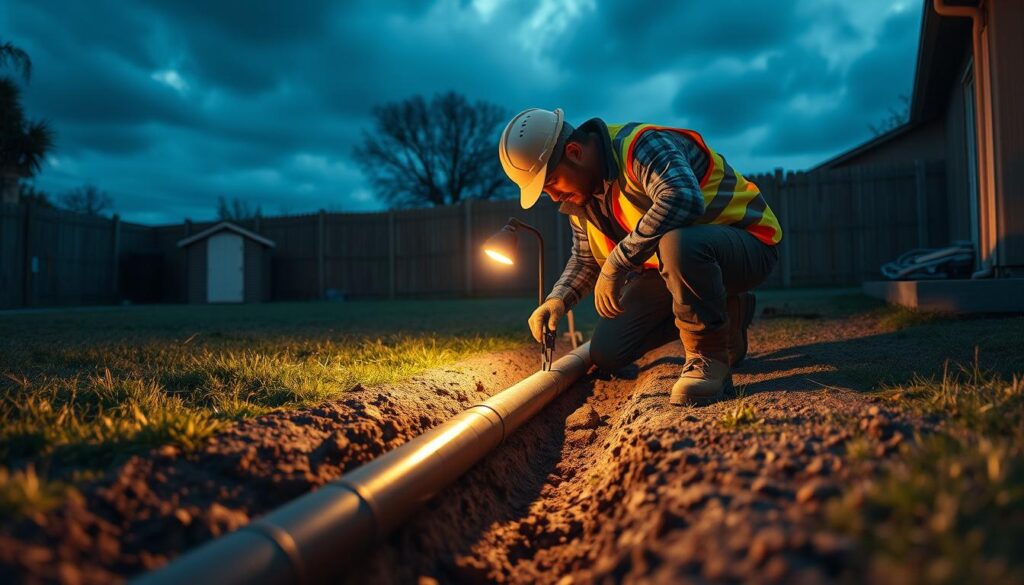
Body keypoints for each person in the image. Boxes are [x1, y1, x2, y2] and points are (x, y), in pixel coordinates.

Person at [497, 108, 782, 405]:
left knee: (677, 242)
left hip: (747, 245)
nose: (554, 196)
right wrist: (557, 299)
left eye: (552, 182)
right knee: (607, 351)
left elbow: (682, 198)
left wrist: (618, 261)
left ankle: (708, 359)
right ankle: (724, 311)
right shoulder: (582, 198)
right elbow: (585, 258)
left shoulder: (641, 147)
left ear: (574, 151)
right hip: (677, 270)